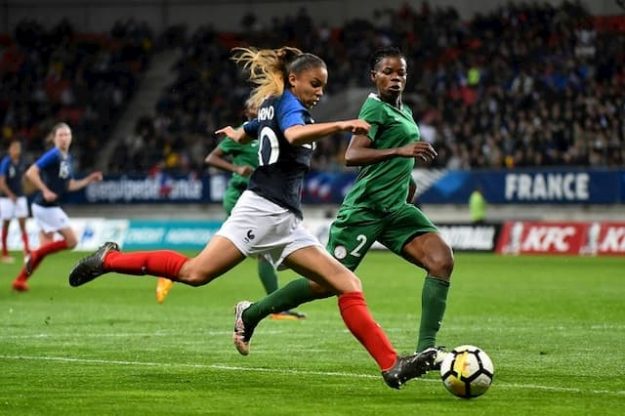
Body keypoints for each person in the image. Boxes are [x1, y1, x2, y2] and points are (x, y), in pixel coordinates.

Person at [68, 46, 436, 389]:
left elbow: (252, 130)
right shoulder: (290, 108)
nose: (320, 92)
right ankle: (109, 259)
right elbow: (291, 134)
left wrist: (238, 133)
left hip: (287, 221)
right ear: (294, 80)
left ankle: (391, 365)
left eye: (323, 85)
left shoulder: (271, 105)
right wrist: (341, 125)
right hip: (259, 210)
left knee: (348, 284)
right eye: (315, 84)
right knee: (195, 274)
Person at [232, 46, 452, 368]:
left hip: (396, 208)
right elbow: (353, 156)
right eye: (387, 73)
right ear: (373, 76)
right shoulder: (374, 109)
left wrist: (407, 181)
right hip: (363, 212)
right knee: (324, 284)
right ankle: (251, 313)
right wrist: (401, 152)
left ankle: (426, 351)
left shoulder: (403, 111)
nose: (395, 79)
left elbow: (393, 157)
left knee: (441, 260)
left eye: (400, 73)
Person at [156, 99, 306, 320]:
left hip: (261, 201)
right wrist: (236, 168)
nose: (260, 108)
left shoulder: (267, 131)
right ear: (247, 111)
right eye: (255, 106)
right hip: (240, 198)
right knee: (258, 255)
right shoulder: (241, 135)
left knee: (250, 255)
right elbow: (211, 158)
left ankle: (173, 271)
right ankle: (171, 272)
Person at [11, 123, 103, 292]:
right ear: (54, 138)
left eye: (67, 134)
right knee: (72, 241)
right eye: (61, 135)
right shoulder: (53, 154)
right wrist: (45, 190)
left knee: (44, 250)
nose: (64, 138)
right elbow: (31, 172)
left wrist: (88, 179)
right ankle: (33, 254)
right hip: (46, 206)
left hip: (45, 206)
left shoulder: (67, 158)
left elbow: (70, 185)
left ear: (71, 137)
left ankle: (20, 280)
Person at [0, 140, 30, 263]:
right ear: (10, 150)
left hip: (20, 197)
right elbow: (1, 182)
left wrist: (26, 189)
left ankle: (27, 251)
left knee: (23, 224)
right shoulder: (6, 162)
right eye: (13, 148)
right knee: (6, 223)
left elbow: (23, 179)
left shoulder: (22, 162)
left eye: (17, 148)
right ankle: (5, 253)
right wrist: (10, 195)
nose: (16, 151)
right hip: (7, 198)